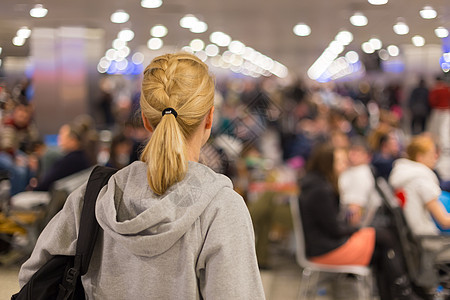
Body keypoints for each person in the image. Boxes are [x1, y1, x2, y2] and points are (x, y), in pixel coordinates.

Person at [18, 53, 265, 299]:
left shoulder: (93, 197)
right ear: (209, 118)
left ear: (146, 120)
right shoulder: (220, 208)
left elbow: (34, 280)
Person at [299, 143, 420, 300]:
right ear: (328, 163)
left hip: (324, 244)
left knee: (381, 249)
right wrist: (357, 229)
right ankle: (403, 290)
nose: (345, 163)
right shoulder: (321, 190)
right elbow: (334, 229)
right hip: (327, 249)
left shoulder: (316, 184)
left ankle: (397, 292)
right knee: (385, 236)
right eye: (340, 161)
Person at [389, 134, 449, 235]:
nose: (436, 157)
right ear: (420, 157)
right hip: (430, 239)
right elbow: (444, 221)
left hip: (416, 238)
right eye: (432, 154)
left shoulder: (404, 175)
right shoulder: (421, 180)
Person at [339, 137, 381, 227]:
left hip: (356, 228)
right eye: (352, 150)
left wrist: (350, 233)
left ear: (368, 157)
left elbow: (354, 212)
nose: (353, 154)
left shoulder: (361, 174)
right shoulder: (352, 170)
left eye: (358, 151)